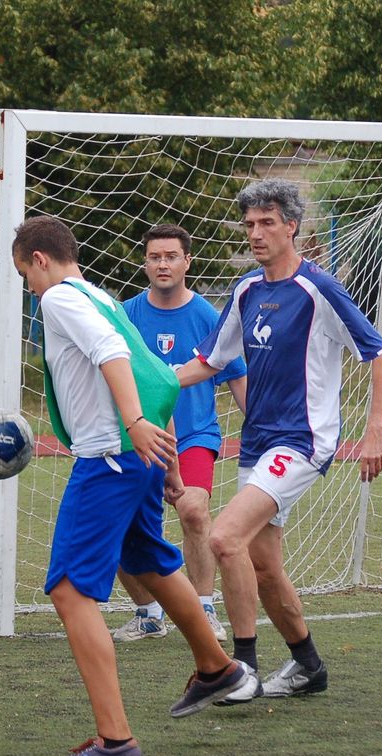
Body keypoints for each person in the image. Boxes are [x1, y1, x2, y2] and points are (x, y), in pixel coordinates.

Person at [12, 215, 254, 756]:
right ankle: (218, 668)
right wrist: (164, 454)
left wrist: (136, 422)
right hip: (140, 457)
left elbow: (113, 357)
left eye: (25, 272)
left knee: (70, 592)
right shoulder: (103, 296)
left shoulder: (60, 300)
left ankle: (115, 744)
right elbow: (159, 375)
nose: (28, 285)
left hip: (109, 459)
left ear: (40, 260)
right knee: (149, 561)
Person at [175, 178, 382, 704]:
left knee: (224, 538)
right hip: (257, 444)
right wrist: (147, 383)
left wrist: (375, 431)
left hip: (302, 442)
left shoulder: (318, 289)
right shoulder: (247, 290)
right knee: (263, 566)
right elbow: (209, 361)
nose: (256, 233)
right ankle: (308, 666)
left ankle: (239, 672)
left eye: (267, 222)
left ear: (291, 226)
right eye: (250, 224)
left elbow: (380, 354)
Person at [112, 223, 247, 644]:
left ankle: (204, 607)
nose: (163, 264)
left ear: (187, 261)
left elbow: (237, 375)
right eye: (155, 257)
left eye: (171, 256)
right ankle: (149, 613)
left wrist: (263, 429)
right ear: (145, 263)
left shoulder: (209, 315)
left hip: (193, 437)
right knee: (111, 525)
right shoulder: (127, 314)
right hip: (139, 437)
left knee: (192, 510)